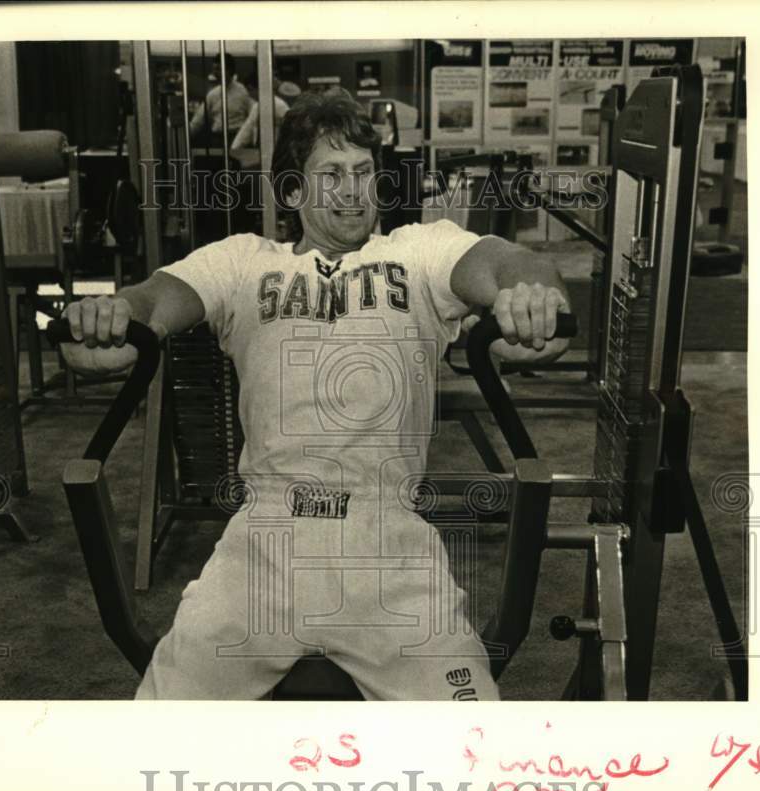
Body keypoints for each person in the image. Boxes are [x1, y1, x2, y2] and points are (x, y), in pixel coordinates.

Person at [60, 93, 571, 701]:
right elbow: (153, 300)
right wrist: (111, 316)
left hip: (388, 542)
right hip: (265, 542)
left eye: (363, 173)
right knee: (159, 733)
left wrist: (531, 293)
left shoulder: (417, 253)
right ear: (293, 192)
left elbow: (509, 260)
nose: (353, 192)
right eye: (331, 176)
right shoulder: (242, 263)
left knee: (475, 750)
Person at [189, 52, 253, 144]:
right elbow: (198, 121)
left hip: (238, 139)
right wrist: (184, 138)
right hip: (217, 140)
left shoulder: (243, 91)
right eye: (214, 69)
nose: (215, 73)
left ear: (229, 70)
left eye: (218, 69)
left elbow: (252, 117)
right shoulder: (212, 94)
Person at [230, 78, 290, 151]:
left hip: (277, 149)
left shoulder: (279, 105)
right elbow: (247, 128)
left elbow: (290, 126)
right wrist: (234, 149)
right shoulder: (256, 106)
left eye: (250, 90)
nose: (249, 94)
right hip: (259, 149)